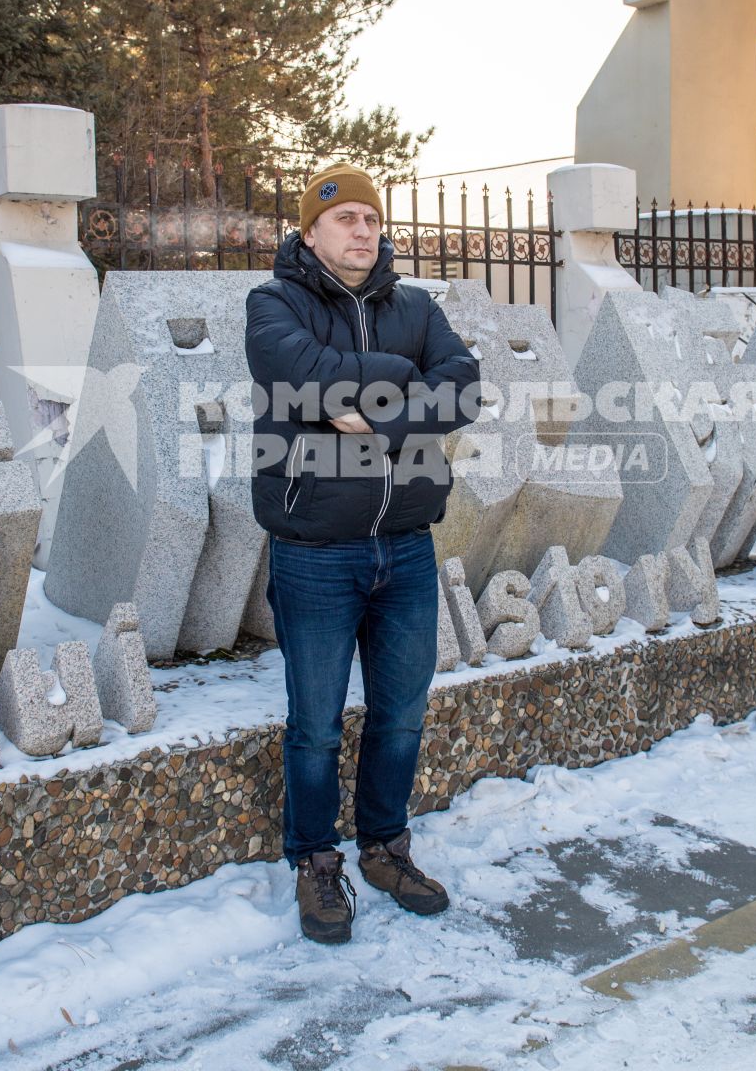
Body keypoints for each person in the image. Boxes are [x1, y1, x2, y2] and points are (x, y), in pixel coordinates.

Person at [244, 162, 481, 945]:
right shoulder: (273, 302)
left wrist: (370, 411)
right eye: (344, 219)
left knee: (402, 716)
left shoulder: (416, 305)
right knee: (314, 723)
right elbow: (301, 378)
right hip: (315, 550)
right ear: (310, 233)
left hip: (407, 546)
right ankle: (316, 861)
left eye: (371, 220)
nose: (362, 231)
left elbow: (466, 390)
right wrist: (406, 381)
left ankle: (384, 845)